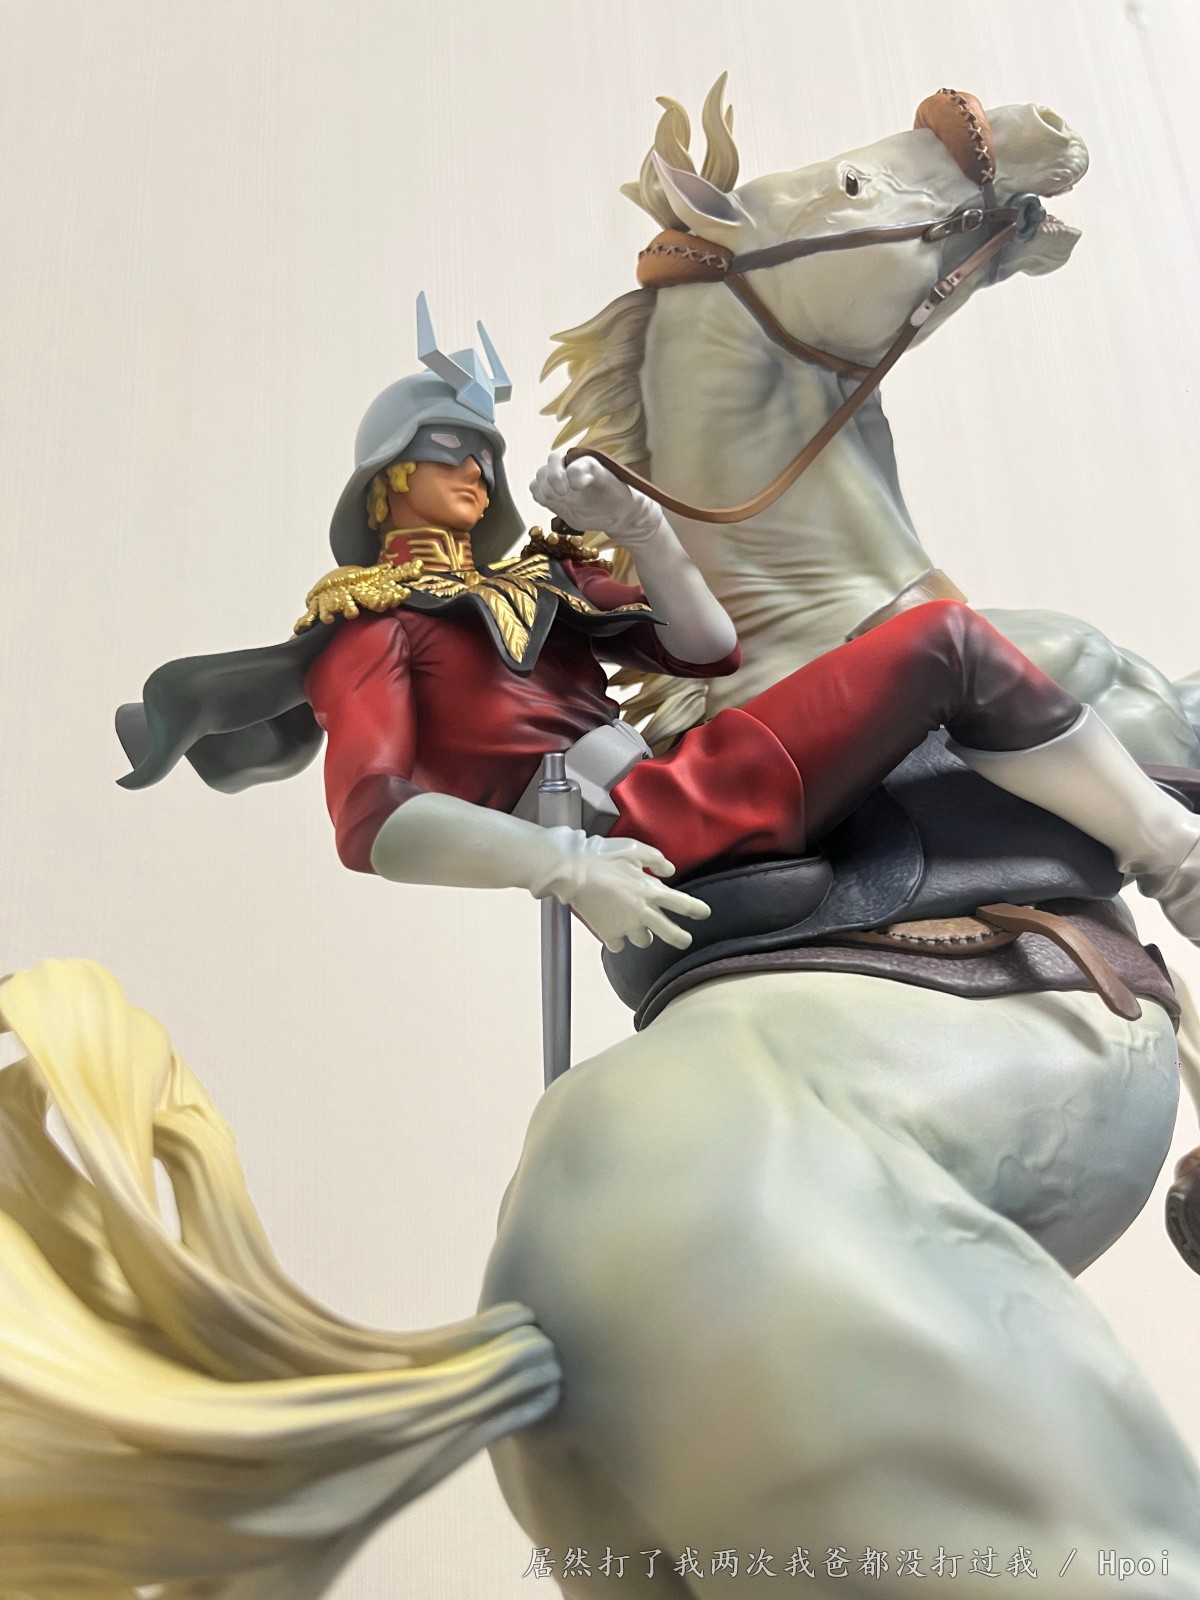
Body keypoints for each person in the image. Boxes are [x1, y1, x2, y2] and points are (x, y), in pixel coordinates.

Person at [118, 314, 1200, 954]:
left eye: (485, 455)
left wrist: (645, 531)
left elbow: (704, 649)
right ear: (386, 479)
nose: (477, 471)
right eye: (449, 450)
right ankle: (1179, 860)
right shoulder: (369, 631)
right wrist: (560, 864)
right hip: (637, 820)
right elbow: (372, 821)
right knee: (944, 645)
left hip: (677, 774)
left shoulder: (535, 580)